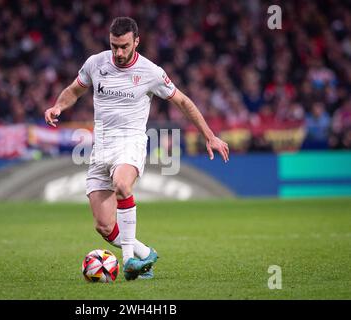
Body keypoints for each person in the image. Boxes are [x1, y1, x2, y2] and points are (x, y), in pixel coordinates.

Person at [44, 17, 229, 281]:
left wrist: (209, 136)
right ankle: (145, 254)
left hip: (130, 142)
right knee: (104, 226)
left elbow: (183, 102)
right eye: (114, 46)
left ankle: (128, 259)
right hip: (101, 147)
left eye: (124, 46)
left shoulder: (151, 72)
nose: (118, 53)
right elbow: (74, 90)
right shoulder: (96, 63)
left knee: (122, 185)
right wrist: (58, 106)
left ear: (136, 42)